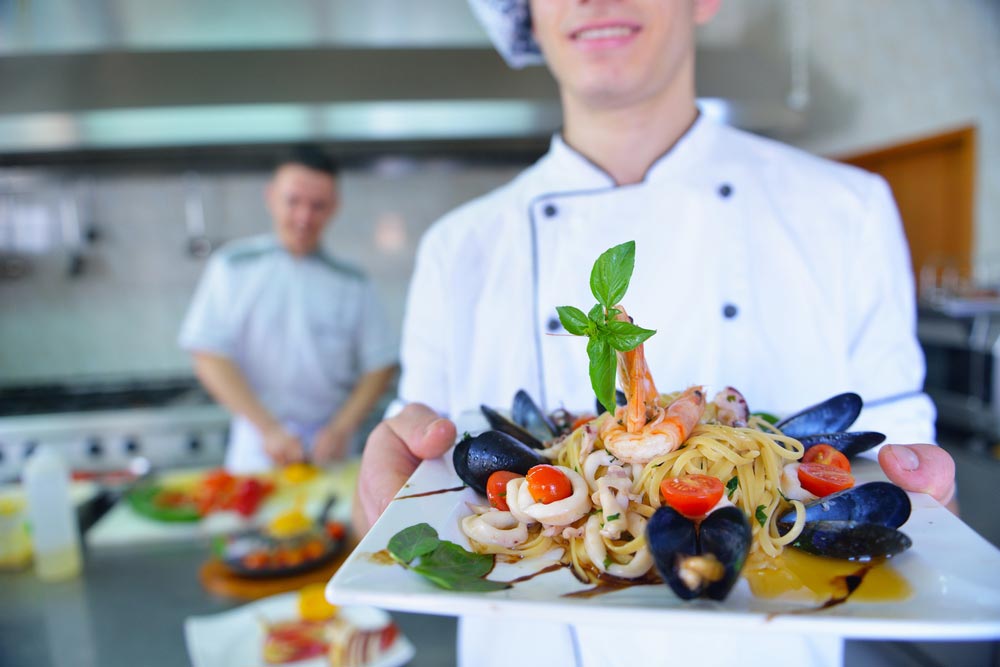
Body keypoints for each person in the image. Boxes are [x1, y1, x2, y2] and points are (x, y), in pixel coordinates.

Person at [352, 1, 958, 665]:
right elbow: (414, 496)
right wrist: (381, 505)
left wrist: (928, 491)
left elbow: (911, 478)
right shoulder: (456, 248)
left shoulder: (848, 212)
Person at [179, 145, 398, 472]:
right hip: (258, 447)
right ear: (271, 197)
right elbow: (208, 353)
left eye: (318, 206)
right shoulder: (231, 267)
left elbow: (380, 364)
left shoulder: (353, 282)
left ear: (334, 208)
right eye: (293, 201)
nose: (304, 217)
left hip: (333, 448)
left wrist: (341, 428)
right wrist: (268, 429)